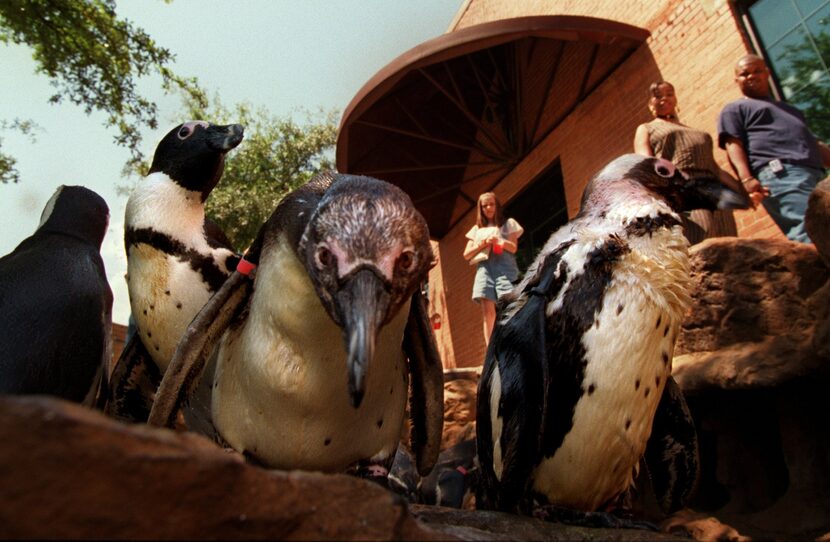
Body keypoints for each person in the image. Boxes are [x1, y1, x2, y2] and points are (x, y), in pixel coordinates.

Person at [718, 54, 830, 243]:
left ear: (767, 73)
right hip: (782, 175)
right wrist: (746, 178)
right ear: (736, 80)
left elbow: (814, 143)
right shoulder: (735, 108)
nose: (751, 76)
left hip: (816, 174)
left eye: (757, 71)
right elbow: (733, 144)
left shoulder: (790, 110)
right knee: (810, 231)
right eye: (745, 74)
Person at [634, 80, 744, 243]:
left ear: (676, 98)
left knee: (729, 241)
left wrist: (743, 190)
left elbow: (716, 169)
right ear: (650, 102)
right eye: (658, 96)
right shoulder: (647, 129)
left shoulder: (694, 131)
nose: (664, 99)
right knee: (701, 236)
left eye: (669, 94)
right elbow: (647, 165)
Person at [463, 192, 523, 345]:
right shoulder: (476, 229)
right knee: (488, 313)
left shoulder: (508, 224)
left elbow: (513, 247)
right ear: (480, 209)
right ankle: (491, 351)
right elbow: (466, 254)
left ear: (497, 205)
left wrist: (498, 241)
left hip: (505, 269)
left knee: (508, 306)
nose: (488, 208)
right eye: (484, 206)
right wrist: (482, 244)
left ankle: (514, 344)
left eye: (491, 204)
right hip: (485, 270)